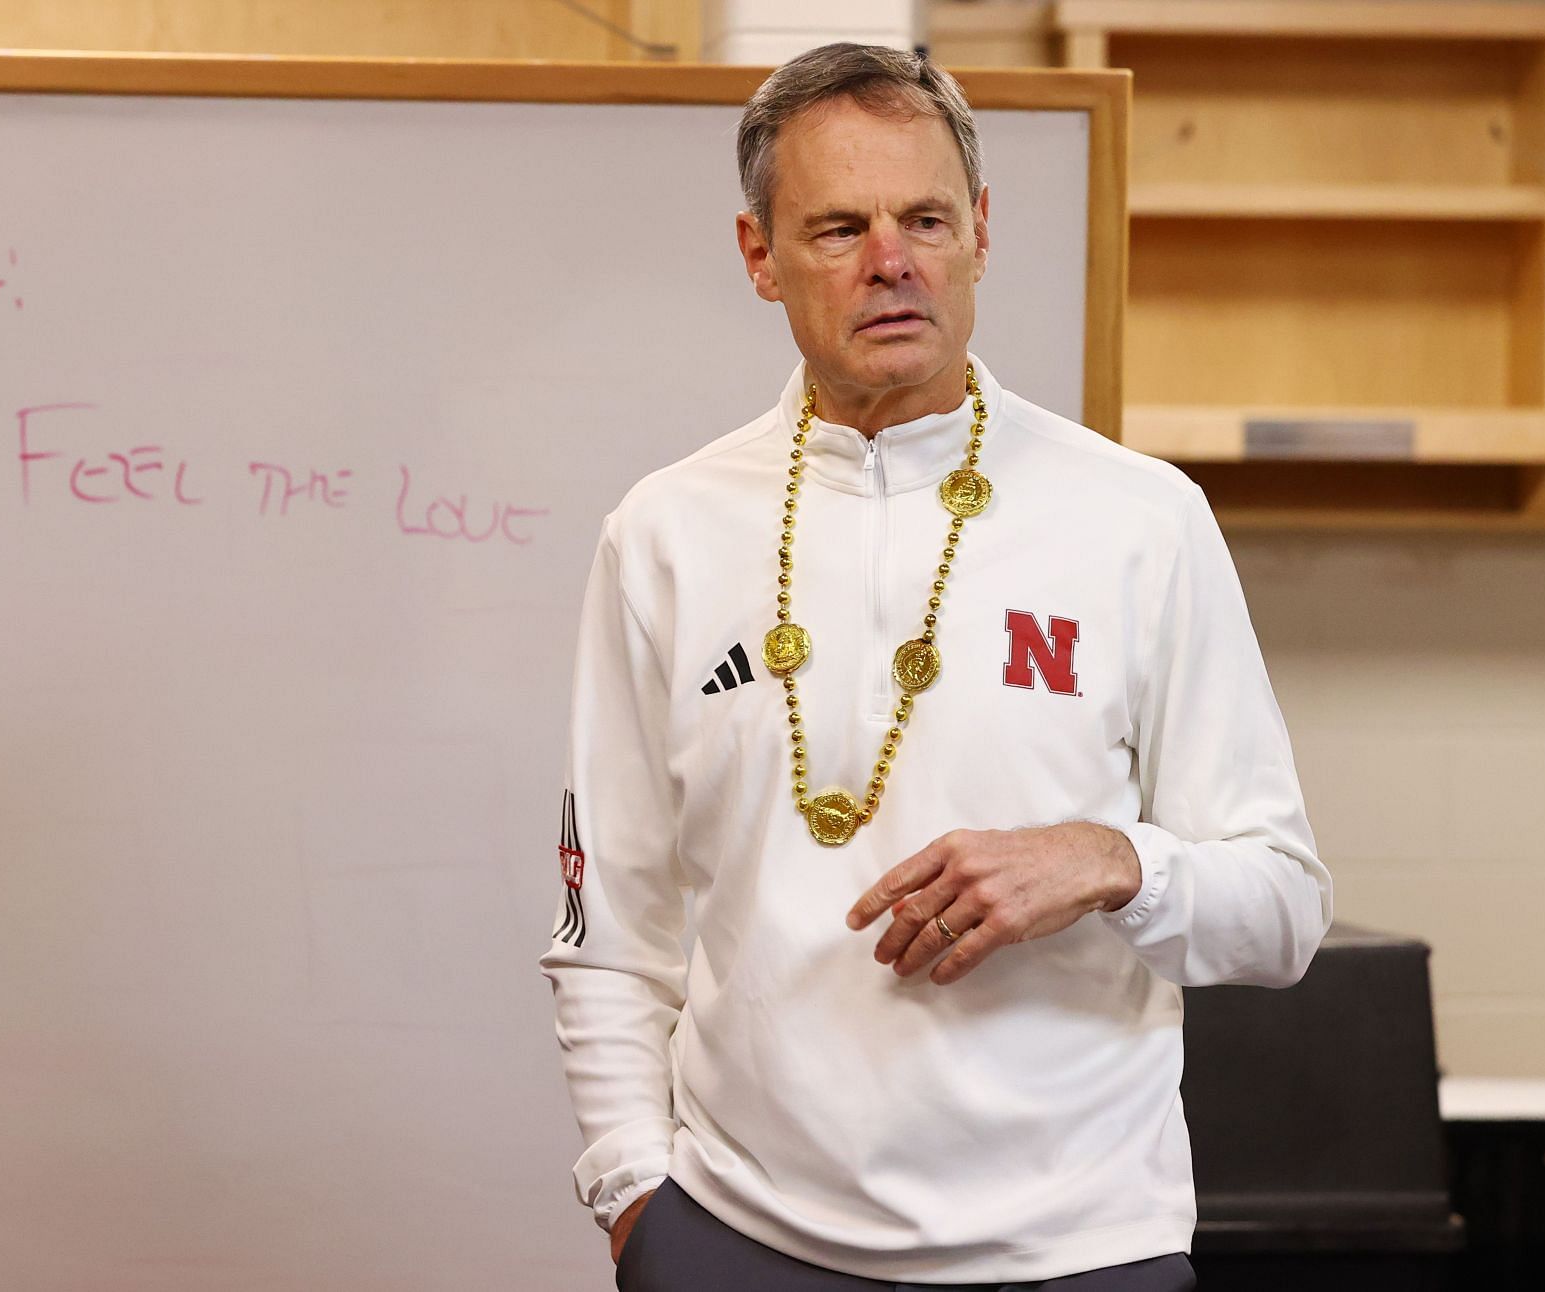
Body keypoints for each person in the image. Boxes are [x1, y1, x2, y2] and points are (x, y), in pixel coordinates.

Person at [538, 42, 1332, 1292]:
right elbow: (607, 928)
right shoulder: (665, 533)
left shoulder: (1141, 517)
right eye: (838, 228)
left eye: (925, 219)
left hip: (1080, 1253)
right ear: (759, 255)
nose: (891, 262)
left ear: (980, 233)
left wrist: (1112, 859)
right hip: (741, 1242)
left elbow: (1283, 907)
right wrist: (636, 1188)